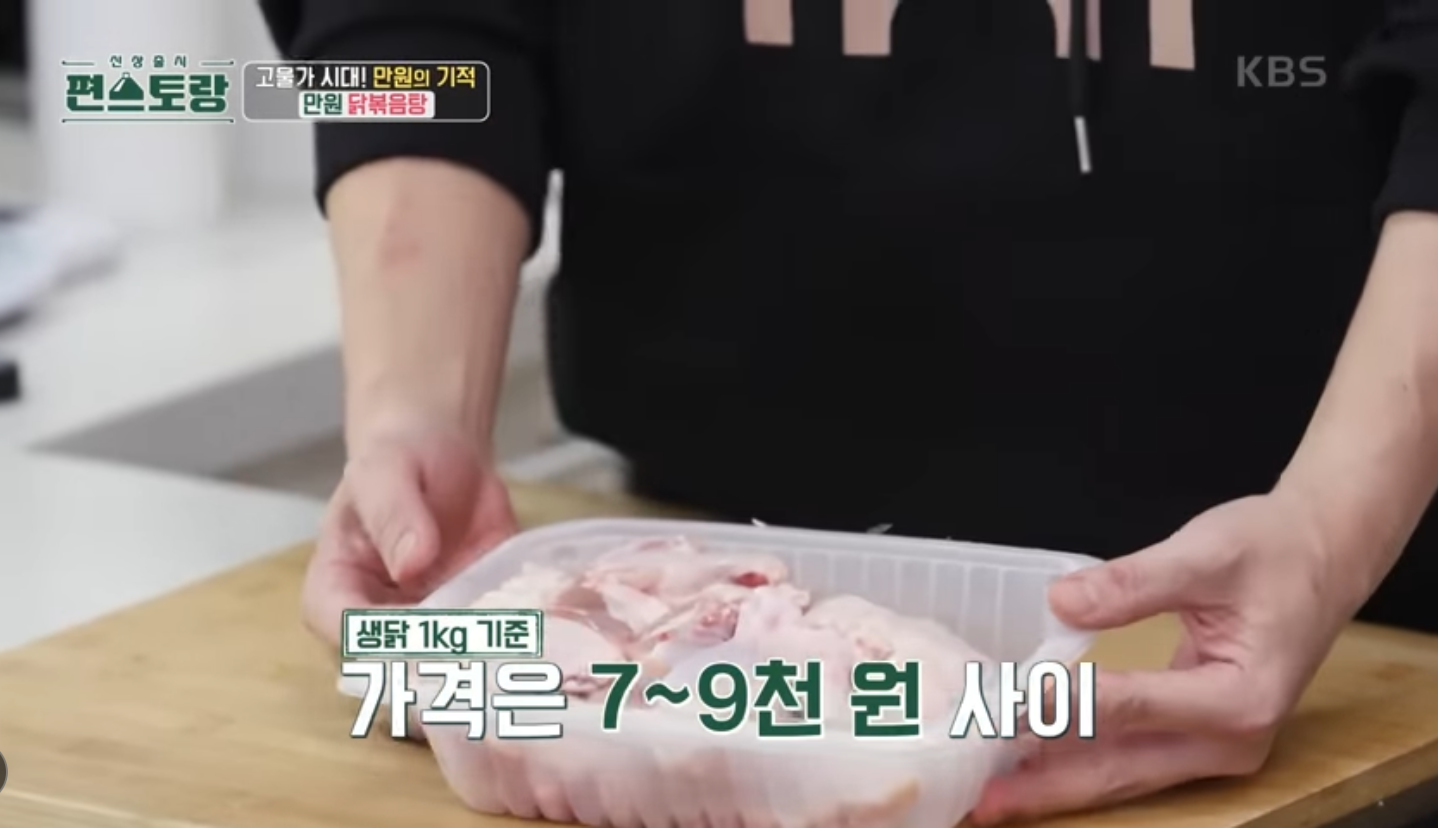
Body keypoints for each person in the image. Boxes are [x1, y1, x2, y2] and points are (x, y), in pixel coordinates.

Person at [260, 1, 1438, 822]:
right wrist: (415, 416)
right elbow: (423, 31)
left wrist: (1333, 522)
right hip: (696, 550)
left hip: (1368, 643)